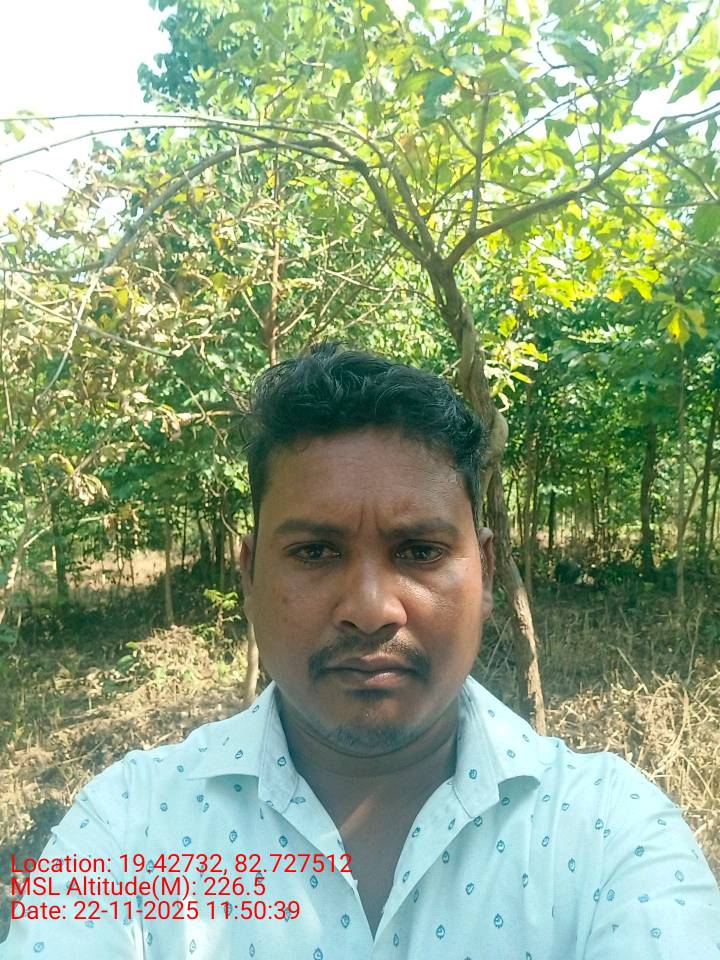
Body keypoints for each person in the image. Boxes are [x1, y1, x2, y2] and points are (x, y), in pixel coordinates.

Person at [2, 342, 719, 959]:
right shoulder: (128, 827)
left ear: (488, 571)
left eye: (420, 550)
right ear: (249, 576)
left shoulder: (610, 836)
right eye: (315, 552)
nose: (372, 610)